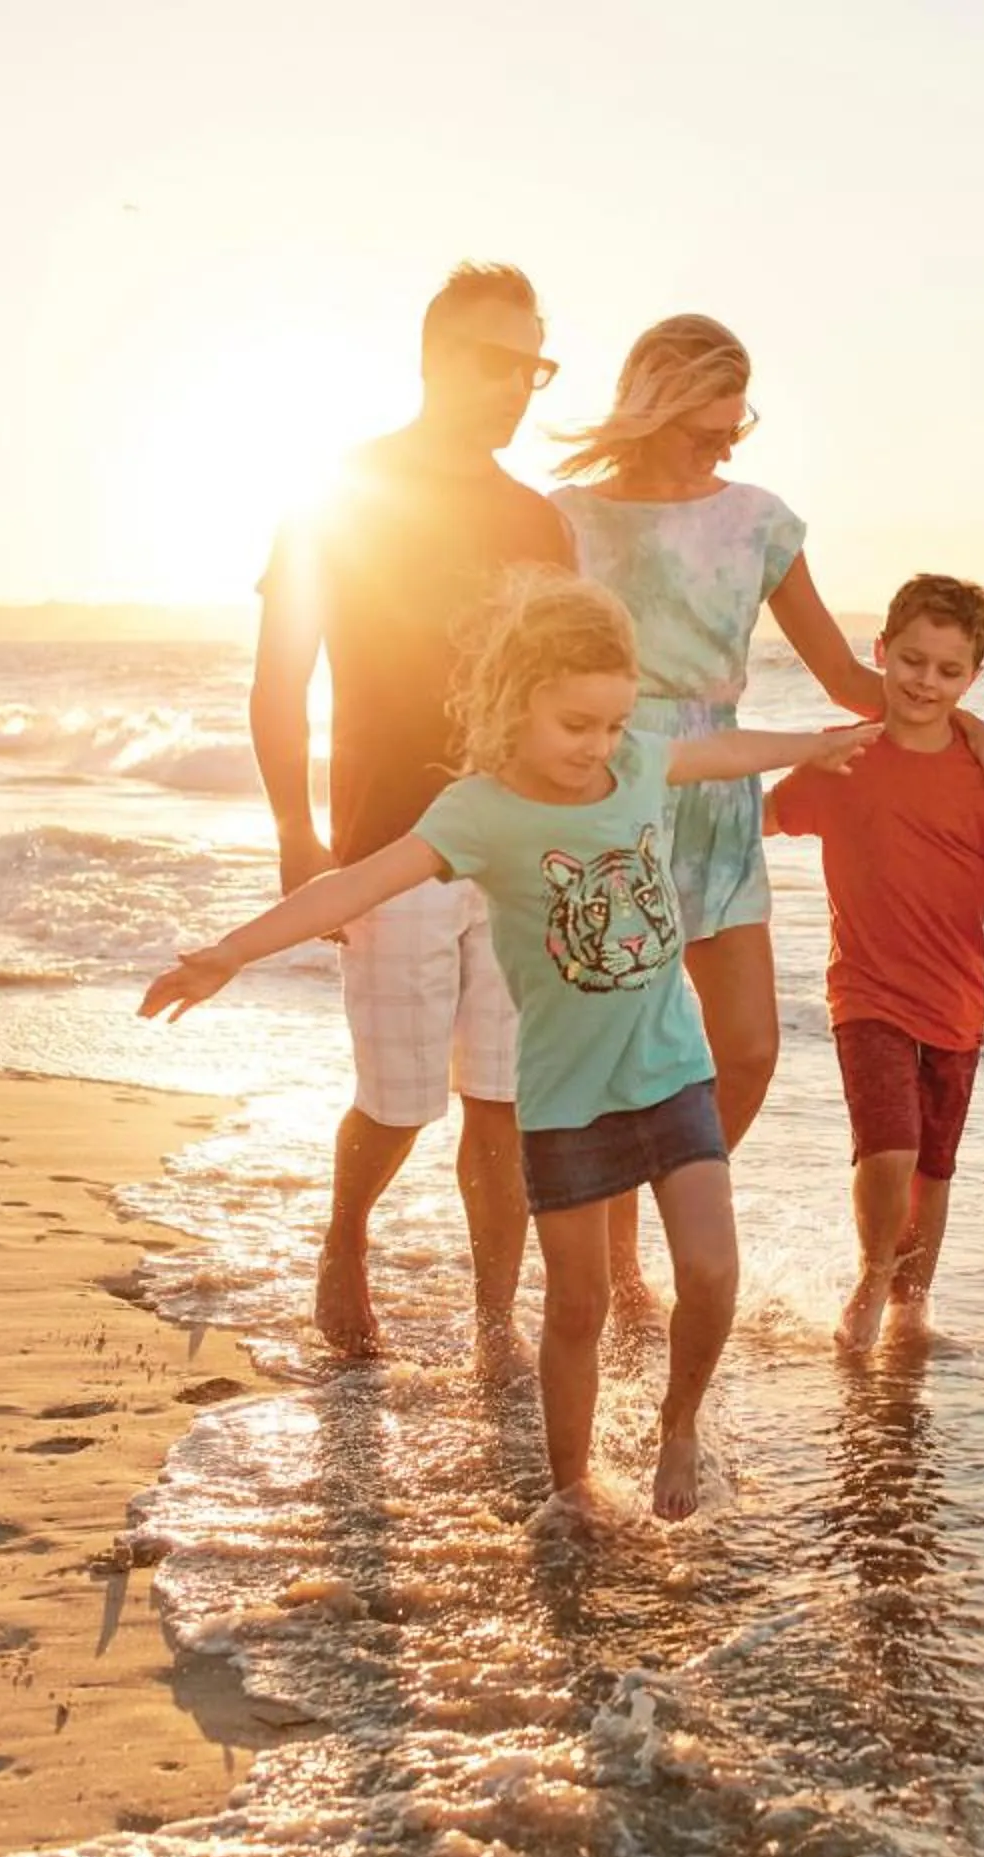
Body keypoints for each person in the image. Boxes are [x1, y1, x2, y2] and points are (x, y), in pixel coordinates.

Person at [147, 570, 880, 1520]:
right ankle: (572, 1488)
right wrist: (230, 953)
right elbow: (356, 886)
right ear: (515, 701)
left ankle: (679, 1423)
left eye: (614, 723)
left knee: (709, 1270)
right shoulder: (479, 813)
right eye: (578, 724)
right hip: (567, 1096)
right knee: (578, 1308)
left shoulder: (640, 765)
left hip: (670, 1069)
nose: (600, 746)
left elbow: (727, 749)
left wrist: (823, 747)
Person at [545, 315, 984, 1318]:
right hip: (612, 786)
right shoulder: (570, 522)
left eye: (738, 422)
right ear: (661, 404)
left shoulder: (758, 521)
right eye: (710, 423)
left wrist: (964, 715)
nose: (729, 442)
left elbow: (851, 674)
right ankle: (625, 1265)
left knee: (750, 1046)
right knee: (618, 1045)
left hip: (719, 796)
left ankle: (658, 1187)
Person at [248, 262, 573, 1358]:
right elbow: (281, 675)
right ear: (435, 357)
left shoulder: (541, 522)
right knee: (396, 1102)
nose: (520, 383)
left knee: (502, 1098)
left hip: (522, 849)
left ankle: (494, 1320)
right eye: (498, 359)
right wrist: (297, 829)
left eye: (536, 362)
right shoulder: (343, 492)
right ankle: (345, 1238)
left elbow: (567, 691)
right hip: (391, 839)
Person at [766, 575, 984, 1352]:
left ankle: (910, 1306)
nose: (926, 682)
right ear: (881, 653)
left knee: (934, 1168)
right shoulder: (843, 760)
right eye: (912, 661)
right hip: (864, 994)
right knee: (888, 1148)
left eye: (948, 670)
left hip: (957, 1005)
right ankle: (870, 1278)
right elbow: (750, 823)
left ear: (973, 680)